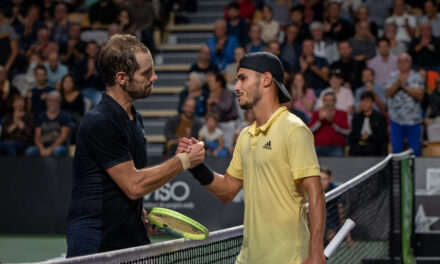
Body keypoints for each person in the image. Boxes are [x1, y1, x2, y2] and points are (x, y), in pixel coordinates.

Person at [177, 52, 326, 264]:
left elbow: (316, 192)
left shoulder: (294, 129)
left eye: (242, 78)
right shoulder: (245, 137)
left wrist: (316, 252)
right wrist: (197, 167)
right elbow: (228, 190)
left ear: (266, 79)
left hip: (287, 258)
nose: (236, 87)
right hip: (248, 257)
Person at [66, 34, 205, 257]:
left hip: (131, 238)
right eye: (146, 73)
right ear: (122, 78)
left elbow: (127, 182)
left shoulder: (134, 118)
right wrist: (183, 161)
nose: (154, 77)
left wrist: (137, 213)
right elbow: (134, 185)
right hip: (97, 244)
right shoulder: (100, 121)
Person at [386, 53, 424, 156]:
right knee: (396, 151)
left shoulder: (417, 77)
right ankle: (397, 172)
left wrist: (404, 86)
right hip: (396, 119)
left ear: (410, 63)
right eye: (400, 61)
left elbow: (420, 96)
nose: (403, 63)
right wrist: (397, 83)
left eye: (405, 60)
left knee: (414, 151)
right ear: (397, 64)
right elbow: (388, 94)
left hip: (413, 120)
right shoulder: (393, 76)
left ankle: (415, 172)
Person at [25, 91, 71, 157]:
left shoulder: (64, 116)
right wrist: (41, 149)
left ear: (59, 102)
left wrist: (50, 149)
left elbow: (63, 136)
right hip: (43, 146)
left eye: (55, 101)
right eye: (50, 101)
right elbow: (37, 137)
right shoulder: (41, 116)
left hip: (58, 146)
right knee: (30, 151)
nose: (53, 103)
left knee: (57, 151)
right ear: (47, 102)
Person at [320, 166, 354, 247]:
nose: (322, 182)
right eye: (320, 179)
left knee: (330, 238)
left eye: (325, 179)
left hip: (333, 216)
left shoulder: (337, 190)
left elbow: (342, 216)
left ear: (330, 179)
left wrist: (348, 239)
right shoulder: (314, 189)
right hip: (320, 214)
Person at [309, 91, 350, 157]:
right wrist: (320, 120)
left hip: (336, 147)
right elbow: (310, 130)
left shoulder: (342, 113)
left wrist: (332, 122)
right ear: (323, 101)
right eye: (326, 101)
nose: (328, 103)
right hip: (318, 147)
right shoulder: (316, 113)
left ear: (335, 101)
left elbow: (347, 131)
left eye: (330, 100)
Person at [349, 91, 388, 156]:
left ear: (373, 103)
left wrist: (369, 137)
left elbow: (382, 136)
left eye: (367, 101)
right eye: (363, 101)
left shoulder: (380, 118)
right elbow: (352, 135)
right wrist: (361, 137)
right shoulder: (356, 118)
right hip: (359, 146)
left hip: (375, 147)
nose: (364, 104)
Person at [60, 74, 85, 144]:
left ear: (73, 84)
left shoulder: (78, 94)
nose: (68, 84)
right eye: (65, 82)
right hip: (62, 121)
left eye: (70, 82)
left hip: (76, 119)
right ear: (62, 84)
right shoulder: (59, 95)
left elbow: (81, 111)